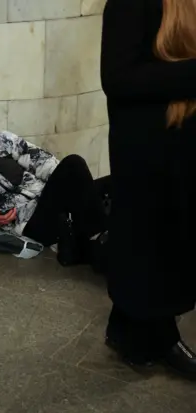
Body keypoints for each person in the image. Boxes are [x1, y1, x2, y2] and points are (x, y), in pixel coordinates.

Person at [101, 0, 196, 379]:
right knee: (153, 248)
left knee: (163, 246)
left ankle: (124, 328)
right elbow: (118, 79)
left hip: (178, 147)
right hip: (147, 152)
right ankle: (155, 337)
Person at [0, 118, 107, 266]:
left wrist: (65, 185)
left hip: (48, 196)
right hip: (30, 222)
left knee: (111, 182)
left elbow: (42, 161)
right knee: (74, 163)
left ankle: (89, 241)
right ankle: (97, 237)